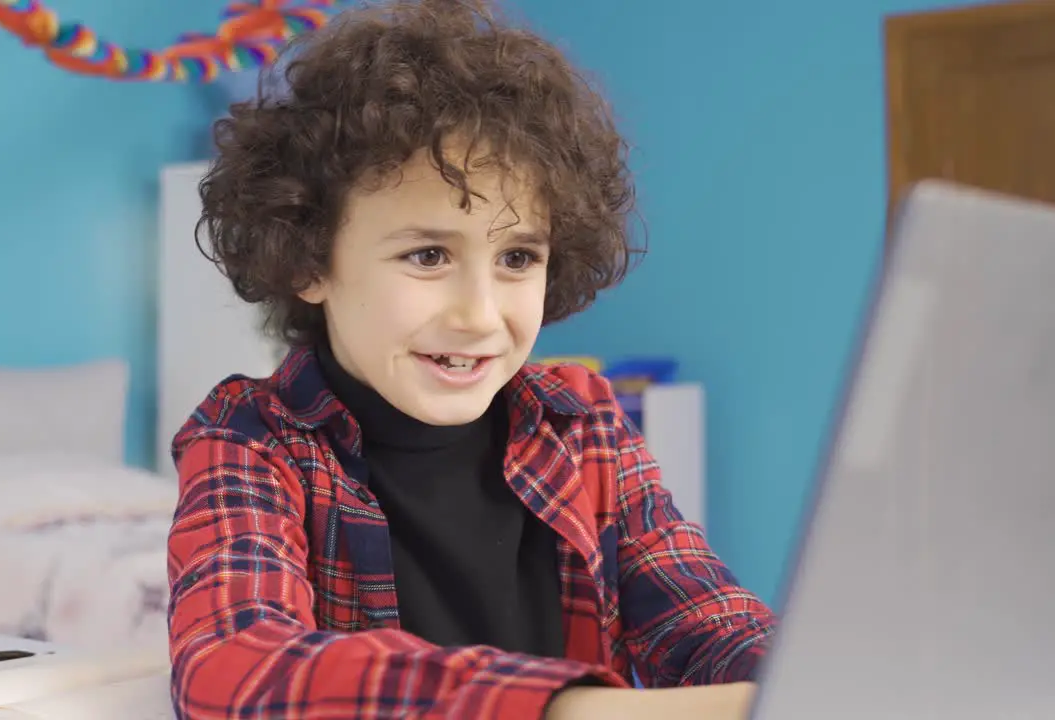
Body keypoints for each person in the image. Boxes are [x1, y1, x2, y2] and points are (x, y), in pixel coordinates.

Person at [165, 0, 776, 717]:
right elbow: (234, 674)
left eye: (517, 257)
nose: (480, 315)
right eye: (428, 256)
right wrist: (561, 708)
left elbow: (708, 622)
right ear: (308, 259)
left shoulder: (583, 427)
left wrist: (806, 679)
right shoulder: (248, 439)